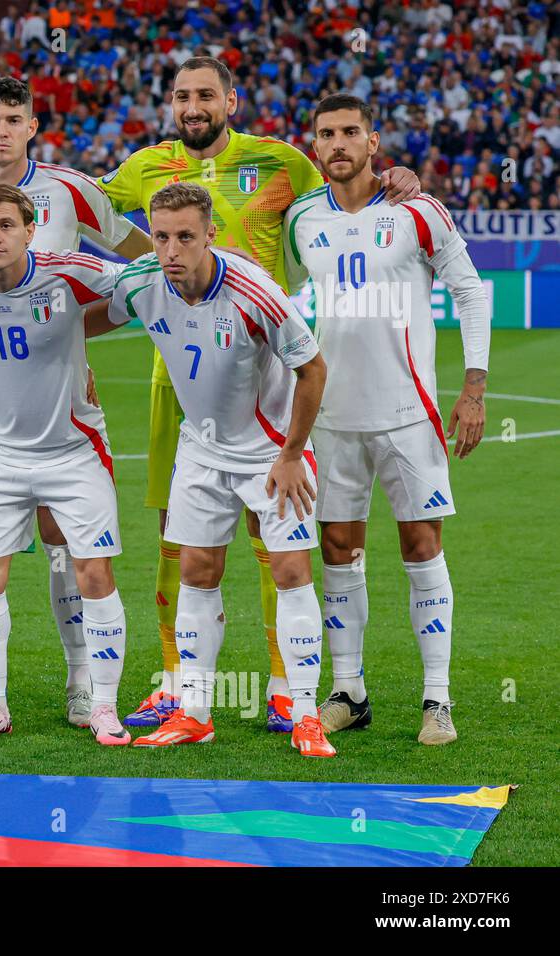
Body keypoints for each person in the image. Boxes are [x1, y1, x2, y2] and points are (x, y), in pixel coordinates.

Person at [98, 56, 423, 733]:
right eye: (182, 94)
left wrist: (393, 177)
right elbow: (80, 208)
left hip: (261, 369)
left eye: (206, 95)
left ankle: (285, 689)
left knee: (274, 547)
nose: (193, 105)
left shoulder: (281, 162)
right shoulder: (142, 170)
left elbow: (347, 179)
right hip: (177, 385)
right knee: (178, 543)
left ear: (232, 100)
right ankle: (179, 687)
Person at [0, 76, 152, 728]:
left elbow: (132, 250)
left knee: (61, 535)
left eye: (11, 118)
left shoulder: (71, 188)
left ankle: (83, 681)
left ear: (31, 126)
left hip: (53, 384)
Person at [284, 93, 489, 745]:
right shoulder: (300, 221)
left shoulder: (418, 212)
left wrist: (474, 389)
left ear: (374, 142)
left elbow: (469, 290)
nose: (338, 143)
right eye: (326, 134)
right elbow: (285, 302)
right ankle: (349, 691)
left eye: (351, 132)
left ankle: (437, 701)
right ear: (313, 146)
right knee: (339, 552)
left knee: (421, 547)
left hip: (409, 416)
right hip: (333, 417)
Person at [104, 182, 334, 758]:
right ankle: (194, 713)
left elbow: (313, 370)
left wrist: (290, 454)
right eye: (160, 237)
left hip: (270, 452)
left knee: (289, 573)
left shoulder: (257, 292)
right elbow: (78, 313)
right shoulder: (140, 283)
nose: (172, 249)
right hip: (201, 450)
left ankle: (306, 714)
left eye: (186, 236)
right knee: (197, 572)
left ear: (210, 234)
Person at [0, 184, 133, 747]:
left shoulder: (68, 270)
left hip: (76, 451)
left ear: (30, 230)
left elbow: (140, 283)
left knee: (92, 573)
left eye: (5, 226)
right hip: (2, 451)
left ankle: (102, 705)